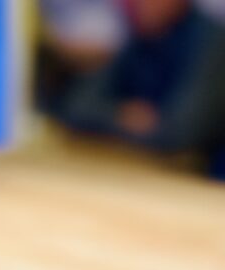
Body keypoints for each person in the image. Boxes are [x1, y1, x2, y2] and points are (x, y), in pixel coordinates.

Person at [57, 0, 225, 154]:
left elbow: (180, 133)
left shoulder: (212, 43)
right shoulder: (137, 35)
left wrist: (110, 122)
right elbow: (76, 108)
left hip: (196, 178)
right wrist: (121, 114)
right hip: (131, 165)